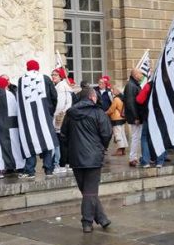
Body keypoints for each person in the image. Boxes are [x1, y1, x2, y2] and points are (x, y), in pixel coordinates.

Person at [60, 88, 113, 233]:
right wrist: (103, 147)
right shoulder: (98, 112)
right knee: (89, 191)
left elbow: (63, 135)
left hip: (76, 156)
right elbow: (107, 133)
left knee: (87, 191)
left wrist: (65, 156)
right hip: (93, 156)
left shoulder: (70, 114)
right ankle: (87, 221)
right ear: (91, 97)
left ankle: (102, 218)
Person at [51, 67, 74, 173]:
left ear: (60, 76)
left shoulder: (61, 87)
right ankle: (67, 162)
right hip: (65, 116)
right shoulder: (63, 85)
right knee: (64, 140)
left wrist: (56, 115)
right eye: (52, 74)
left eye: (55, 75)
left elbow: (59, 105)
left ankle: (62, 163)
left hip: (61, 117)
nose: (53, 77)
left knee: (61, 141)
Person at [123, 69, 146, 167]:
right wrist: (136, 117)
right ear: (135, 75)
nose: (142, 75)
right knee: (136, 137)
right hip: (136, 116)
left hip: (137, 115)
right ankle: (133, 158)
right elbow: (130, 103)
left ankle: (137, 157)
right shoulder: (131, 86)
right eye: (140, 73)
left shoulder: (133, 85)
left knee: (138, 137)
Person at [105, 87, 128, 156]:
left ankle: (119, 150)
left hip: (116, 118)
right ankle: (123, 149)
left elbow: (112, 109)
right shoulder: (122, 98)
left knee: (117, 134)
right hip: (122, 118)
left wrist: (105, 113)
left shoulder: (116, 99)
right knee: (122, 134)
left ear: (117, 91)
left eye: (113, 90)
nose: (112, 91)